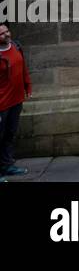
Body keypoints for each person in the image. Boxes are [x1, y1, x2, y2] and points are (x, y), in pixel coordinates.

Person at [0, 24, 32, 180]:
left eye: (7, 31)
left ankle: (6, 166)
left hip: (15, 100)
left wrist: (28, 85)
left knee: (9, 135)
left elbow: (23, 68)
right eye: (2, 34)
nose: (6, 35)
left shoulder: (16, 47)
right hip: (1, 103)